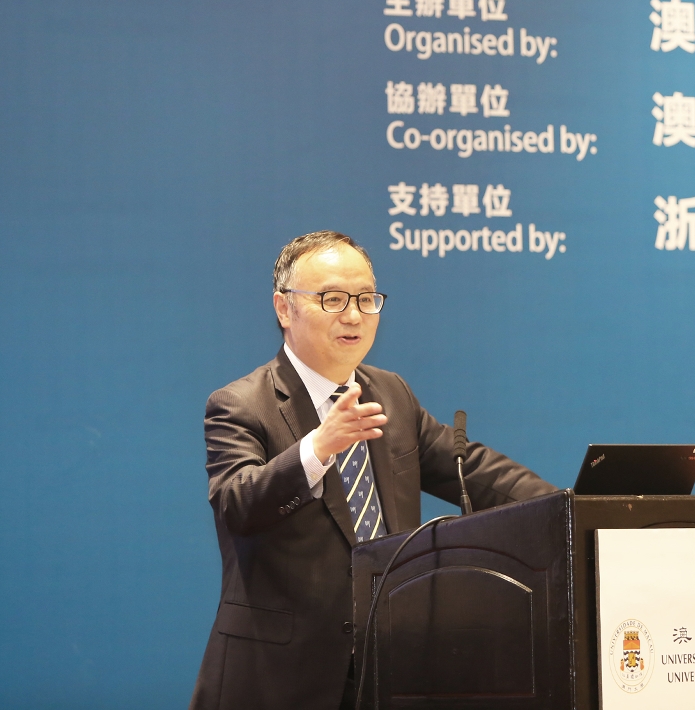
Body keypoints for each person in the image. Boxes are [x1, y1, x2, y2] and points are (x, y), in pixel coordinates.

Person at [189, 231, 554, 710]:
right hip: (280, 678)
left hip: (387, 669)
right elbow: (237, 504)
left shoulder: (391, 394)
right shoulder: (240, 404)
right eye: (333, 299)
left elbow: (476, 471)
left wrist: (568, 506)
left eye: (366, 299)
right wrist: (317, 447)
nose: (354, 315)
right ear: (284, 309)